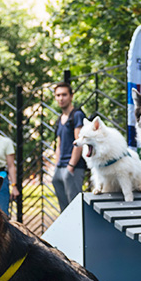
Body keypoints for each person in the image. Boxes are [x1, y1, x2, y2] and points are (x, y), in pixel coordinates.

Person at [51, 78, 87, 210]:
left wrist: (71, 166)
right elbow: (59, 145)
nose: (61, 98)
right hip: (60, 166)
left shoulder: (77, 115)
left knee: (74, 206)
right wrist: (56, 165)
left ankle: (79, 230)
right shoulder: (59, 119)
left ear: (71, 96)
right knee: (64, 208)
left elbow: (79, 142)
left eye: (64, 95)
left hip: (74, 167)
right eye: (58, 95)